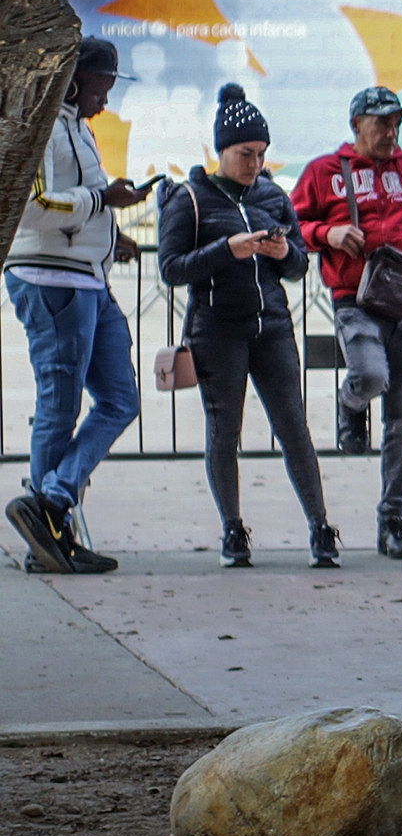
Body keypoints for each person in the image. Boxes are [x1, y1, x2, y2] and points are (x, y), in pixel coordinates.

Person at [155, 85, 336, 570]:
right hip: (216, 329)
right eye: (245, 154)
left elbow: (299, 263)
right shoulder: (190, 199)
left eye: (260, 154)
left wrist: (283, 254)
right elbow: (171, 268)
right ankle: (233, 530)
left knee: (294, 428)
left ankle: (321, 527)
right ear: (221, 151)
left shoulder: (273, 195)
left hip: (272, 326)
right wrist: (226, 250)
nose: (254, 164)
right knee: (224, 431)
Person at [290, 86, 402, 560]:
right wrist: (328, 233)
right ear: (356, 124)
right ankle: (349, 404)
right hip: (355, 300)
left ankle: (392, 522)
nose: (391, 131)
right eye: (382, 122)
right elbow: (290, 225)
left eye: (396, 123)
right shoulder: (325, 173)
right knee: (369, 376)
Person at [4, 37, 144, 576]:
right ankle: (49, 539)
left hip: (86, 278)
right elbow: (34, 205)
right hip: (52, 280)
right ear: (78, 78)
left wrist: (113, 235)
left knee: (120, 399)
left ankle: (53, 504)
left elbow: (75, 204)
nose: (106, 100)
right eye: (103, 85)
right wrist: (103, 203)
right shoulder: (44, 124)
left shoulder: (77, 126)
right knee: (58, 411)